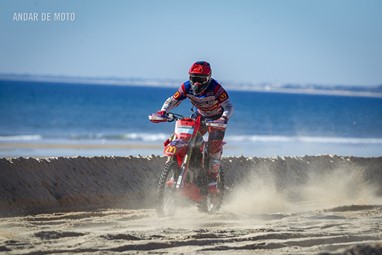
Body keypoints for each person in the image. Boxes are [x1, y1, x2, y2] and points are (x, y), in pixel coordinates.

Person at [152, 61, 234, 193]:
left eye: (201, 80)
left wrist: (223, 118)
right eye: (194, 79)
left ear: (208, 78)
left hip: (216, 119)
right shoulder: (186, 87)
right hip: (199, 117)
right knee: (180, 137)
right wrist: (163, 112)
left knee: (214, 148)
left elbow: (229, 106)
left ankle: (212, 182)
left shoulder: (216, 88)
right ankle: (174, 169)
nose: (196, 83)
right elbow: (173, 100)